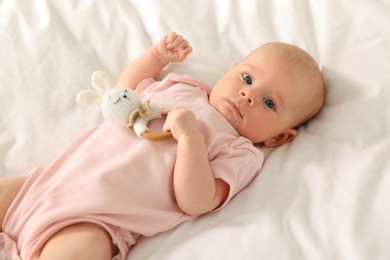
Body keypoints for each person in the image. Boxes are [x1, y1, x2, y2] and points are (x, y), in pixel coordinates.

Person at [0, 32, 325, 260]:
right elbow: (123, 95)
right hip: (43, 186)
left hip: (99, 221)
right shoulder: (183, 86)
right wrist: (156, 57)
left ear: (279, 137)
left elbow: (197, 200)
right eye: (247, 79)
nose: (248, 96)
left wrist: (191, 140)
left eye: (269, 103)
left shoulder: (242, 152)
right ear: (231, 69)